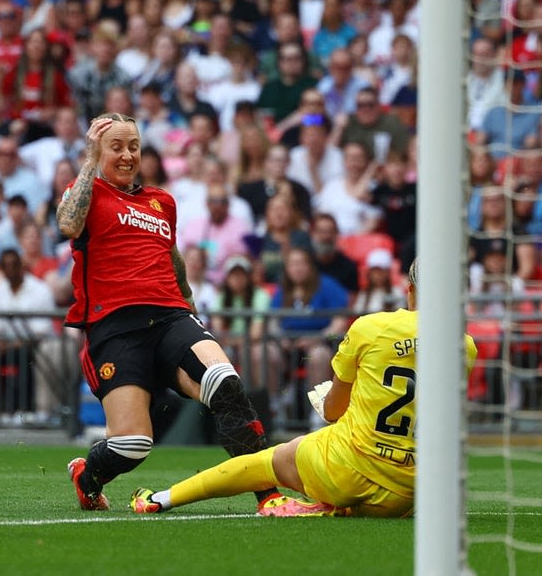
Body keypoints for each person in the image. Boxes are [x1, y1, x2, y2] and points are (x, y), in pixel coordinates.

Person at [58, 114, 285, 513]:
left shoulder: (162, 201)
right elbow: (67, 223)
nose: (127, 155)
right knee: (132, 445)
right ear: (98, 151)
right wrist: (90, 160)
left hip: (170, 318)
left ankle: (269, 496)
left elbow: (172, 258)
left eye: (134, 146)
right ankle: (87, 475)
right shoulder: (86, 191)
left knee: (224, 382)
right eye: (117, 147)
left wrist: (191, 309)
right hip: (115, 328)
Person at [130, 258, 478, 517]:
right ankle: (327, 509)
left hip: (348, 467)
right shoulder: (465, 346)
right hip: (410, 489)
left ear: (410, 289)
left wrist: (331, 400)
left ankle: (161, 499)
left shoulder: (372, 328)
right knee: (377, 497)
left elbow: (332, 411)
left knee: (265, 461)